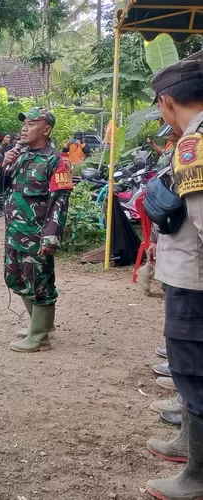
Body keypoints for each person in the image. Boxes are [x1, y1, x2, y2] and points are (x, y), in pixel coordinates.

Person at [144, 54, 203, 500]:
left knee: (194, 371)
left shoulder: (193, 145)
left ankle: (196, 477)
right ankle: (188, 443)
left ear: (167, 102)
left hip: (195, 278)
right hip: (189, 272)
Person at [0, 107, 72, 353]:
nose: (24, 128)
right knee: (15, 278)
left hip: (37, 236)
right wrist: (4, 166)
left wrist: (50, 237)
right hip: (15, 233)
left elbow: (59, 202)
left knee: (40, 283)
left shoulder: (56, 161)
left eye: (31, 123)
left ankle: (40, 336)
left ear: (46, 130)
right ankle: (36, 324)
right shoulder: (21, 156)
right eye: (24, 124)